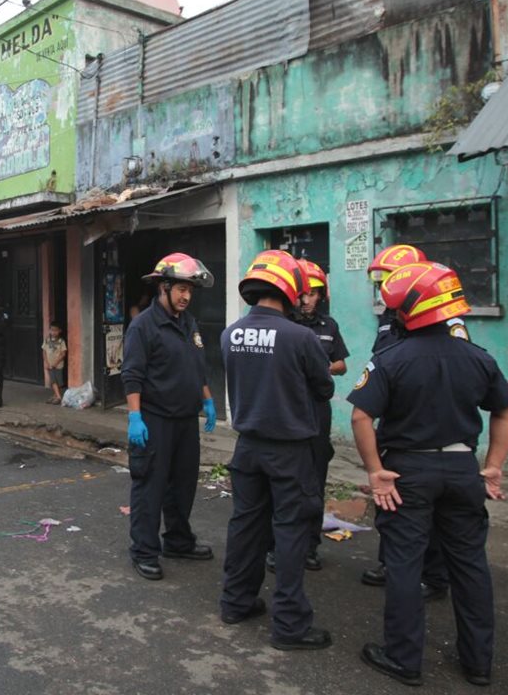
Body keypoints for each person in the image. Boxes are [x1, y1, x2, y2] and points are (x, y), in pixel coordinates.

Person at [349, 262, 508, 687]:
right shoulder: (478, 357)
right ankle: (478, 663)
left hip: (407, 470)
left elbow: (361, 416)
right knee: (470, 565)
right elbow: (506, 409)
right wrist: (493, 466)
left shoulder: (392, 359)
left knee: (405, 563)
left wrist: (375, 472)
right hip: (463, 470)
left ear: (409, 310)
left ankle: (404, 659)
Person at [218, 250, 335, 650]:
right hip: (290, 451)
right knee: (290, 532)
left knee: (245, 526)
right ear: (289, 290)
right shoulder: (301, 337)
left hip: (247, 448)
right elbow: (325, 388)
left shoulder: (229, 333)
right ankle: (289, 627)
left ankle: (236, 602)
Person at [362, 244, 457, 596]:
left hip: (427, 430)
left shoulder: (445, 322)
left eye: (388, 281)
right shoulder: (390, 319)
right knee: (393, 507)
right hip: (396, 428)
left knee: (428, 514)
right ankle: (394, 564)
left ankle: (433, 576)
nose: (384, 290)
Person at [121, 252, 218, 582]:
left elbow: (196, 366)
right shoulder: (143, 327)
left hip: (185, 420)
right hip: (155, 419)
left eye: (190, 290)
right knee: (150, 487)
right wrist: (135, 417)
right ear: (163, 287)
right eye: (180, 289)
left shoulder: (187, 322)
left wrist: (207, 401)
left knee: (183, 487)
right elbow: (132, 375)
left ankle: (178, 541)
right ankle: (144, 551)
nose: (186, 296)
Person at [263, 258, 348, 574]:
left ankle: (310, 546)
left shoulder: (329, 327)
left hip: (316, 413)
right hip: (286, 413)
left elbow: (341, 364)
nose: (307, 299)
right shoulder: (283, 325)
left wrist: (320, 369)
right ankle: (275, 546)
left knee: (313, 484)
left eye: (314, 293)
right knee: (282, 483)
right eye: (303, 293)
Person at [41, 320, 67, 404]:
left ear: (60, 331)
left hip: (58, 365)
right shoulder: (47, 340)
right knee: (53, 381)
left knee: (58, 381)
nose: (53, 332)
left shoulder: (61, 341)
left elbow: (63, 354)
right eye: (52, 330)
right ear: (49, 330)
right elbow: (44, 351)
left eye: (55, 330)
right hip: (50, 365)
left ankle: (56, 395)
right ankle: (59, 397)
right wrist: (46, 362)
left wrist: (55, 363)